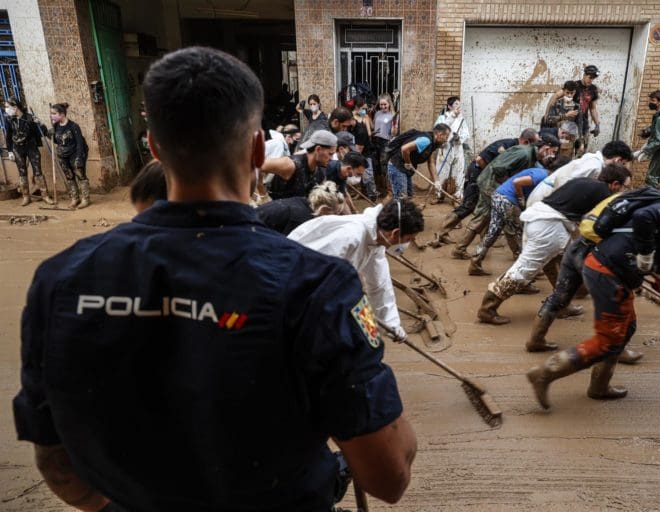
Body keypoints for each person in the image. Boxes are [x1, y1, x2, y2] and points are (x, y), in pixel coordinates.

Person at [13, 46, 416, 511]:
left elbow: (58, 465)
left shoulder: (62, 278)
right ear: (258, 149)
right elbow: (388, 475)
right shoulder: (317, 285)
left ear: (154, 147)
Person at [526, 180, 660, 410]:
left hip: (612, 271)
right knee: (607, 341)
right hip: (608, 272)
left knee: (628, 327)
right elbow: (644, 217)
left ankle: (599, 385)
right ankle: (545, 373)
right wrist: (645, 254)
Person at [477, 164, 632, 326]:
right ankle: (488, 308)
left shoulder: (588, 183)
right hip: (549, 226)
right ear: (615, 184)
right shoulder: (604, 194)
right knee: (524, 270)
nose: (626, 191)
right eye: (626, 187)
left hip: (543, 220)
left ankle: (561, 304)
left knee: (560, 264)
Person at [289, 200, 425, 342]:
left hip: (324, 293)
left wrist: (392, 324)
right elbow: (315, 275)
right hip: (295, 290)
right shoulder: (350, 236)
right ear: (395, 233)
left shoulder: (376, 242)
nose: (406, 244)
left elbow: (380, 285)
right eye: (408, 238)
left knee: (365, 339)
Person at [451, 134, 561, 260]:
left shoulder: (531, 155)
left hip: (496, 185)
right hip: (491, 183)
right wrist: (509, 185)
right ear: (546, 148)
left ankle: (468, 251)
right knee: (489, 218)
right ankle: (461, 250)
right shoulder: (524, 153)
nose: (553, 156)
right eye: (553, 152)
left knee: (490, 219)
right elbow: (499, 169)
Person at [434, 130, 540, 244]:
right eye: (536, 144)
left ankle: (485, 239)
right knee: (469, 206)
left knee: (487, 207)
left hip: (490, 179)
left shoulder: (520, 150)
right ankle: (441, 233)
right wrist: (488, 177)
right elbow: (480, 160)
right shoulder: (506, 146)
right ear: (526, 142)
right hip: (478, 174)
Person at [468, 164, 553, 277]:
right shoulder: (541, 176)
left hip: (499, 196)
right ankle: (522, 274)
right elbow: (517, 182)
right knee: (519, 236)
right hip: (508, 201)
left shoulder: (540, 172)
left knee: (493, 232)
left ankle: (475, 262)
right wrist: (521, 198)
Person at [526, 140, 634, 208]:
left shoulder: (593, 160)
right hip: (546, 199)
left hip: (548, 199)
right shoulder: (594, 165)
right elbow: (567, 183)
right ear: (618, 160)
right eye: (623, 164)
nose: (621, 167)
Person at [4, 98, 54, 206]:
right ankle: (26, 197)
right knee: (22, 172)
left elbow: (42, 132)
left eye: (7, 107)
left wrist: (39, 123)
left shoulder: (29, 118)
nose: (6, 109)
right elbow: (8, 135)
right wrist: (10, 151)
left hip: (31, 147)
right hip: (18, 149)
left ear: (15, 107)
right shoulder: (8, 119)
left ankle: (45, 196)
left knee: (38, 171)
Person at [261, 129, 336, 200]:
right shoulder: (290, 165)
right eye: (330, 154)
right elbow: (255, 165)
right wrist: (263, 196)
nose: (332, 158)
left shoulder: (321, 172)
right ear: (318, 149)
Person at [255, 180, 346, 234]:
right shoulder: (301, 220)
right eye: (336, 213)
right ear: (324, 209)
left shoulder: (304, 202)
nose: (337, 217)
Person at [387, 123, 450, 199]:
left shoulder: (433, 143)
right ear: (440, 134)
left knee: (409, 196)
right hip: (397, 166)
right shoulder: (426, 141)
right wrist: (408, 163)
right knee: (401, 199)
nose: (446, 140)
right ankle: (392, 209)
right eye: (446, 137)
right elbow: (404, 149)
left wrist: (436, 181)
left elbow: (431, 163)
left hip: (404, 169)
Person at [50, 102, 91, 208]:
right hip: (62, 155)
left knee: (80, 175)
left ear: (62, 114)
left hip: (74, 154)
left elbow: (79, 143)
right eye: (51, 113)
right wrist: (49, 134)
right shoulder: (55, 126)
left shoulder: (73, 126)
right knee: (69, 176)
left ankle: (85, 199)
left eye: (54, 113)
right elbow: (57, 141)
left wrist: (79, 157)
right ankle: (75, 198)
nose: (52, 116)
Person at [433, 96, 470, 202]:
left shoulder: (462, 119)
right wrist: (449, 137)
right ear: (449, 106)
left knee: (458, 172)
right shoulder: (443, 117)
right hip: (445, 148)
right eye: (456, 104)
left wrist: (459, 138)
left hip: (458, 148)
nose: (458, 106)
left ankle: (457, 196)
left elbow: (466, 133)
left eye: (459, 104)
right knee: (442, 172)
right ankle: (439, 196)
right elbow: (439, 129)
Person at [372, 94, 396, 194]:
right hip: (375, 141)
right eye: (381, 104)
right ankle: (379, 189)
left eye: (384, 104)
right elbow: (373, 126)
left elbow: (393, 133)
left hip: (385, 142)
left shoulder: (393, 115)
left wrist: (394, 128)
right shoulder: (377, 113)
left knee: (384, 166)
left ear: (389, 104)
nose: (383, 107)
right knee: (375, 165)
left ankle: (389, 190)